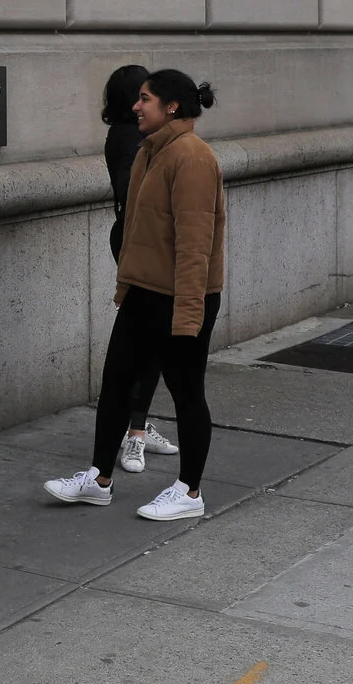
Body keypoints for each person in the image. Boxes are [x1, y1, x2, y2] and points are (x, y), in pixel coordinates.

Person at [45, 71, 226, 522]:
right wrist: (127, 285)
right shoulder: (151, 151)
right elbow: (139, 232)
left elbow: (195, 243)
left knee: (187, 393)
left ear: (171, 107)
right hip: (144, 292)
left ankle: (190, 490)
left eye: (145, 99)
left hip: (181, 295)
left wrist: (188, 313)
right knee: (116, 386)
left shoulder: (192, 157)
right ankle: (99, 479)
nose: (135, 106)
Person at [99, 64, 180, 472]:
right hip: (138, 244)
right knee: (146, 341)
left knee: (153, 342)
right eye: (144, 94)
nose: (145, 102)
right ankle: (133, 434)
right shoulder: (129, 139)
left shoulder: (148, 139)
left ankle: (138, 425)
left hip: (148, 243)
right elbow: (134, 196)